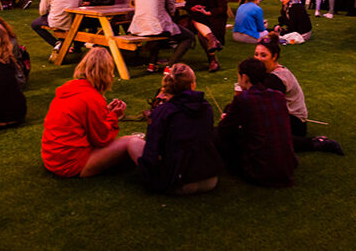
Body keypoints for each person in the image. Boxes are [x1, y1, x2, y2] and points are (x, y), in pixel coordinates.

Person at [41, 47, 143, 177]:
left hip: (53, 158)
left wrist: (106, 111)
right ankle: (159, 174)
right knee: (132, 141)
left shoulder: (71, 88)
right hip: (71, 164)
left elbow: (81, 120)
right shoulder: (92, 98)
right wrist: (114, 116)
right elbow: (102, 139)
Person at [136, 64, 223, 194]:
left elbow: (152, 149)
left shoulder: (163, 112)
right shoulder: (206, 107)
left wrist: (146, 175)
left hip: (178, 182)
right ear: (193, 85)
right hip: (209, 178)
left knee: (134, 143)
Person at [254, 37, 344, 154]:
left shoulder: (276, 78)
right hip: (284, 116)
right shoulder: (268, 73)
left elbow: (260, 102)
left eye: (263, 55)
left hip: (294, 122)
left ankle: (317, 143)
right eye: (256, 54)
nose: (258, 59)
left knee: (266, 138)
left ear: (274, 56)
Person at [217, 58, 297, 187]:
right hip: (287, 167)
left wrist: (226, 120)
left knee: (218, 136)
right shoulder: (278, 96)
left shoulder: (243, 99)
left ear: (244, 77)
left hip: (260, 171)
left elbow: (224, 130)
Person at [128, 0, 194, 72]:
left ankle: (152, 65)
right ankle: (170, 66)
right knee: (188, 37)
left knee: (159, 31)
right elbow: (172, 10)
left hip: (137, 26)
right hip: (155, 26)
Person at [185, 0, 228, 72]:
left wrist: (208, 12)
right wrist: (193, 7)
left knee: (200, 33)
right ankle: (212, 42)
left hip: (215, 18)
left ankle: (212, 56)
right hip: (199, 17)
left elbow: (223, 8)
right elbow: (188, 5)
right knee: (195, 18)